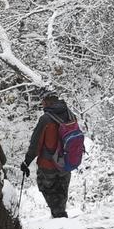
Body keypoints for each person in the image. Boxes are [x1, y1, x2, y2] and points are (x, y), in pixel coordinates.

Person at [20, 88, 80, 218]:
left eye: (42, 101)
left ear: (47, 101)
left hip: (48, 164)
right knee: (62, 191)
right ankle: (61, 216)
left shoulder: (46, 120)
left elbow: (35, 144)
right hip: (66, 163)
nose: (42, 104)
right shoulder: (70, 115)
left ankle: (59, 218)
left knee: (45, 187)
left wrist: (27, 162)